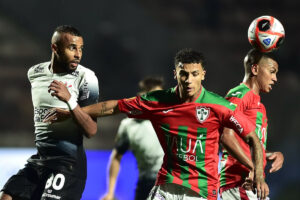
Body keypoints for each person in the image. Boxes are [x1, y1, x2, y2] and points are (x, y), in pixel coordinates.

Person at [45, 48, 268, 200]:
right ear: (175, 74)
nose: (188, 80)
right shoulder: (158, 101)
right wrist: (73, 110)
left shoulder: (219, 106)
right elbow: (113, 106)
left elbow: (253, 138)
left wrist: (257, 172)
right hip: (167, 187)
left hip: (201, 191)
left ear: (203, 75)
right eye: (183, 74)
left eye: (194, 74)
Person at [0, 25, 99, 200]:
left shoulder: (87, 78)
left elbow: (91, 130)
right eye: (72, 48)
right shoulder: (35, 73)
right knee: (7, 197)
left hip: (67, 164)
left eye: (80, 48)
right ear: (55, 47)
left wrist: (69, 101)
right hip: (40, 159)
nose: (78, 54)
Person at [219, 48, 284, 200]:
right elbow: (226, 136)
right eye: (272, 71)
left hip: (250, 184)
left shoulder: (260, 106)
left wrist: (269, 154)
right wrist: (254, 169)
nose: (275, 78)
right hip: (238, 183)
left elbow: (249, 145)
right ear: (255, 69)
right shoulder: (240, 94)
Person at [101, 77, 165, 200]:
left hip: (171, 184)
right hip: (145, 184)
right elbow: (116, 157)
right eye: (155, 96)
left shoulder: (171, 119)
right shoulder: (129, 125)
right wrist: (110, 192)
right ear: (142, 96)